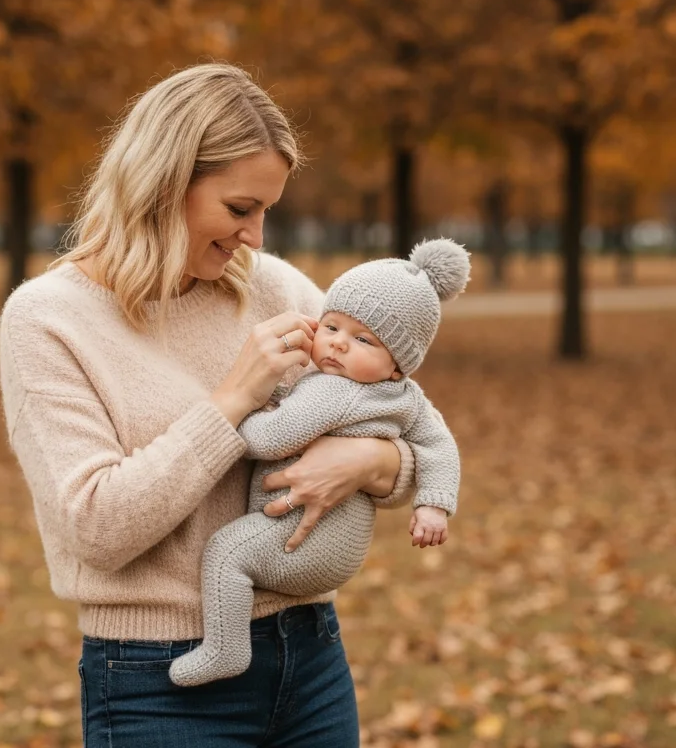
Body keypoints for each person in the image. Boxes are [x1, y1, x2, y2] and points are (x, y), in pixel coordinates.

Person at [0, 63, 419, 747]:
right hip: (158, 682)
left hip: (311, 660)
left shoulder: (276, 289)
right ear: (164, 185)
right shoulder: (49, 320)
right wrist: (233, 400)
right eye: (239, 209)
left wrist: (369, 462)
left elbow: (408, 431)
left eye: (266, 211)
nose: (255, 236)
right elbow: (97, 528)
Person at [168, 239, 469, 688]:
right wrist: (433, 505)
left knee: (228, 553)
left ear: (397, 366)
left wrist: (243, 408)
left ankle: (226, 649)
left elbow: (270, 439)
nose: (339, 344)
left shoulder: (334, 391)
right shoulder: (408, 399)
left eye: (363, 339)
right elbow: (439, 445)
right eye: (331, 326)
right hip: (339, 548)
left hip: (304, 541)